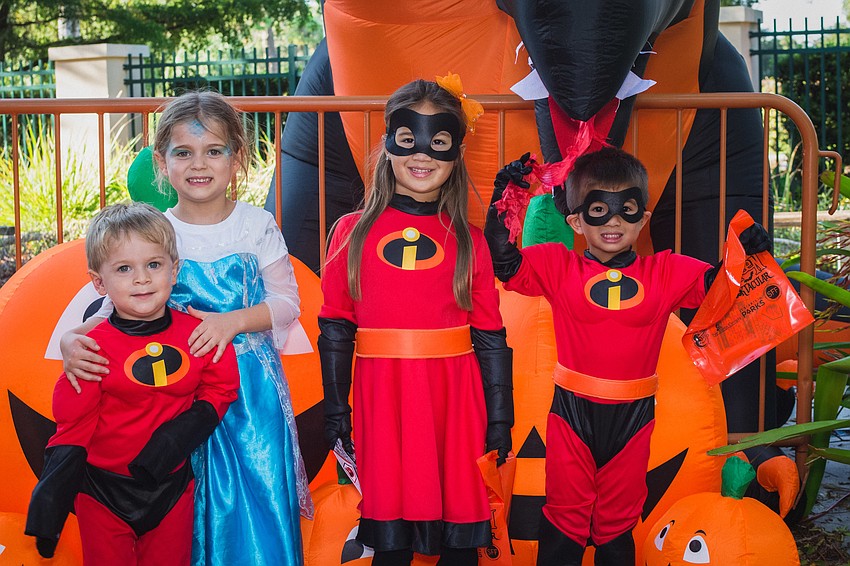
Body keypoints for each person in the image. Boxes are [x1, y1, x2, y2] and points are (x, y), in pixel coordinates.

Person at [484, 147, 772, 566]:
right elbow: (505, 263)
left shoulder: (665, 271)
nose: (614, 221)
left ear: (644, 217)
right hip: (571, 414)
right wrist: (505, 200)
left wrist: (748, 253)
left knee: (618, 522)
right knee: (565, 516)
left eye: (627, 209)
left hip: (634, 417)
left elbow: (718, 286)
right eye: (599, 209)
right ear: (576, 221)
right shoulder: (558, 266)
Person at [59, 91, 312, 566]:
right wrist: (74, 336)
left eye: (215, 150)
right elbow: (115, 301)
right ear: (162, 161)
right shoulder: (157, 230)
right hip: (174, 394)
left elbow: (287, 303)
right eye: (183, 152)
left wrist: (231, 322)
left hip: (249, 395)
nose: (200, 164)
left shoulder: (255, 225)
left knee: (258, 496)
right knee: (181, 507)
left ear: (237, 157)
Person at [318, 75, 514, 566]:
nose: (422, 155)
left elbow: (490, 333)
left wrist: (499, 414)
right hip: (381, 400)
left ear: (454, 155)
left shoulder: (469, 240)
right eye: (408, 140)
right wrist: (337, 407)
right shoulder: (350, 233)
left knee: (460, 539)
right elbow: (336, 324)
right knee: (392, 540)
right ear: (388, 145)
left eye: (439, 142)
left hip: (455, 400)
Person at [25, 203, 240, 565]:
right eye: (124, 269)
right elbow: (73, 425)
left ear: (175, 271)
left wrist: (177, 437)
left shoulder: (198, 335)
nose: (141, 279)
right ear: (99, 281)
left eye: (153, 265)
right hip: (103, 492)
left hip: (170, 488)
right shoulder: (92, 347)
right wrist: (51, 495)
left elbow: (221, 388)